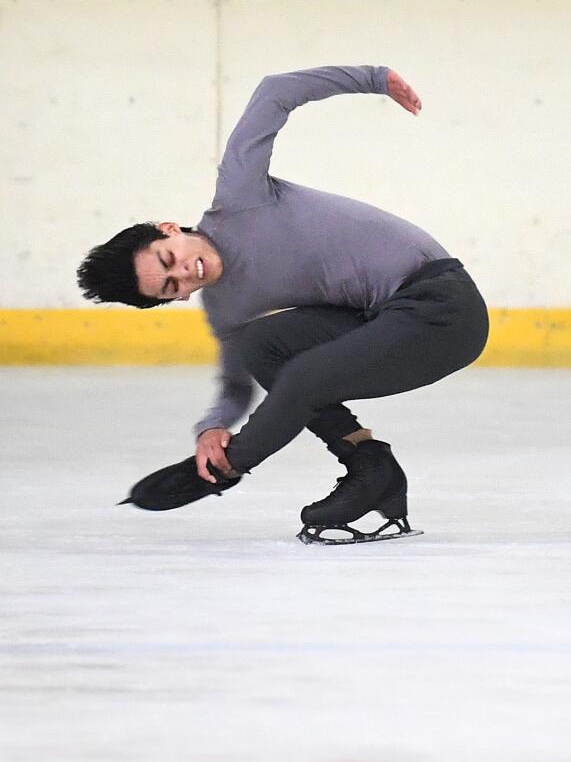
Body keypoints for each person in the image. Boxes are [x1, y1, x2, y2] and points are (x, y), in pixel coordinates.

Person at [75, 66, 489, 543]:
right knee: (262, 345)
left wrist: (375, 79)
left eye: (170, 259)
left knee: (304, 376)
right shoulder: (224, 307)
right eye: (170, 286)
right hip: (382, 318)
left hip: (444, 310)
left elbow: (277, 91)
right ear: (179, 299)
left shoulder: (239, 196)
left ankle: (225, 471)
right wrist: (211, 429)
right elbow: (235, 386)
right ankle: (369, 465)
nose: (184, 274)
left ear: (170, 229)